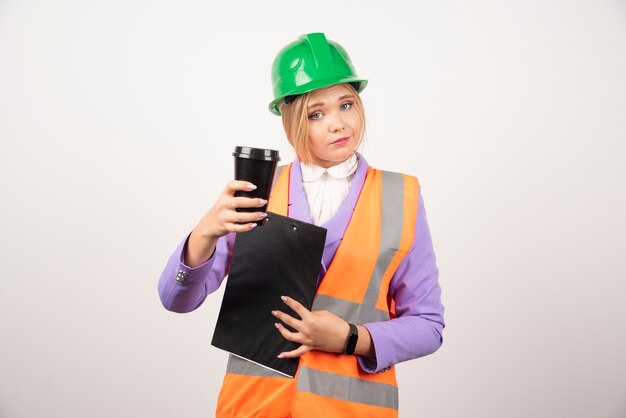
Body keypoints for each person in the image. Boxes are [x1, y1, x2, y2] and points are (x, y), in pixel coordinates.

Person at [158, 32, 445, 418]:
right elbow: (176, 300)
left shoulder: (401, 196)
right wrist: (205, 232)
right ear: (291, 121)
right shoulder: (258, 192)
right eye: (317, 113)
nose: (338, 124)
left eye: (346, 104)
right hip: (254, 408)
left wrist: (349, 337)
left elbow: (428, 325)